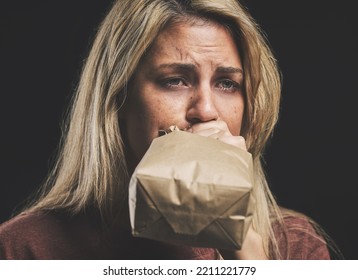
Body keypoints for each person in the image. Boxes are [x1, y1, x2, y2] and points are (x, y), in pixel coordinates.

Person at [0, 0, 338, 260]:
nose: (205, 110)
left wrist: (248, 256)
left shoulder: (293, 247)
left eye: (226, 83)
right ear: (118, 99)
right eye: (174, 80)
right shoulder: (24, 249)